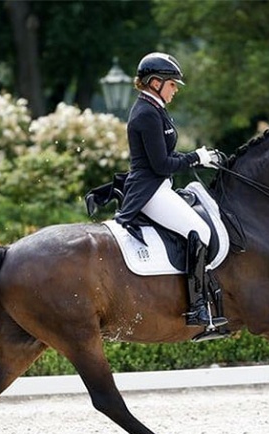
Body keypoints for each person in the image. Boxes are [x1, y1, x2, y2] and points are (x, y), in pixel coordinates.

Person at [115, 52, 227, 329]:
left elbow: (167, 154)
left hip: (159, 186)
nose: (175, 89)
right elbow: (162, 164)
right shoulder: (146, 114)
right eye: (172, 84)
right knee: (200, 232)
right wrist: (196, 159)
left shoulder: (155, 109)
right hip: (150, 190)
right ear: (155, 83)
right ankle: (197, 306)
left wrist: (199, 156)